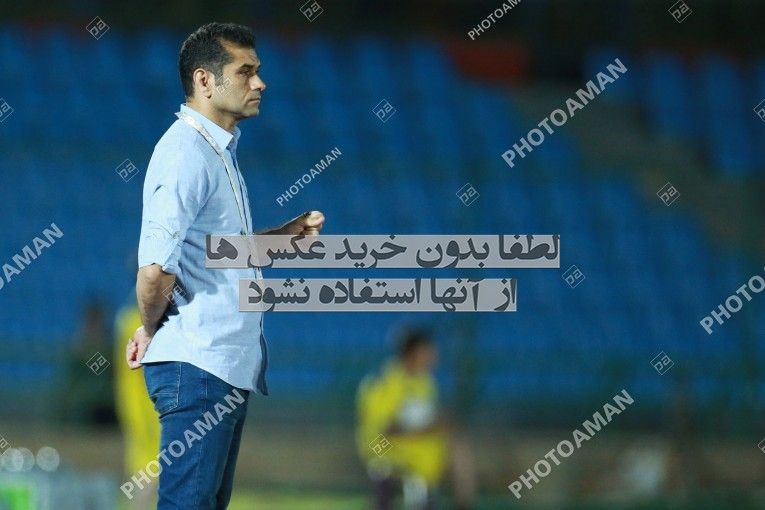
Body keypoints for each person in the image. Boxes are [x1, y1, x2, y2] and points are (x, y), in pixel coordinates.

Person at [124, 22, 325, 509]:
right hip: (198, 366)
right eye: (246, 71)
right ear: (205, 80)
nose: (260, 83)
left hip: (218, 368)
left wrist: (282, 238)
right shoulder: (185, 154)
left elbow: (217, 252)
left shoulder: (216, 152)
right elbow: (155, 270)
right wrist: (150, 329)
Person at [356, 328, 476, 510]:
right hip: (383, 446)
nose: (435, 356)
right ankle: (392, 493)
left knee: (459, 450)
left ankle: (458, 503)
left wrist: (439, 424)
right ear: (414, 352)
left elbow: (426, 419)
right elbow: (384, 431)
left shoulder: (426, 383)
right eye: (429, 351)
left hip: (413, 443)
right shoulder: (386, 381)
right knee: (388, 463)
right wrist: (424, 428)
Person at [113, 296, 159, 510]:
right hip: (143, 404)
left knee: (143, 464)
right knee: (147, 466)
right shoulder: (135, 322)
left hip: (136, 402)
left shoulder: (126, 319)